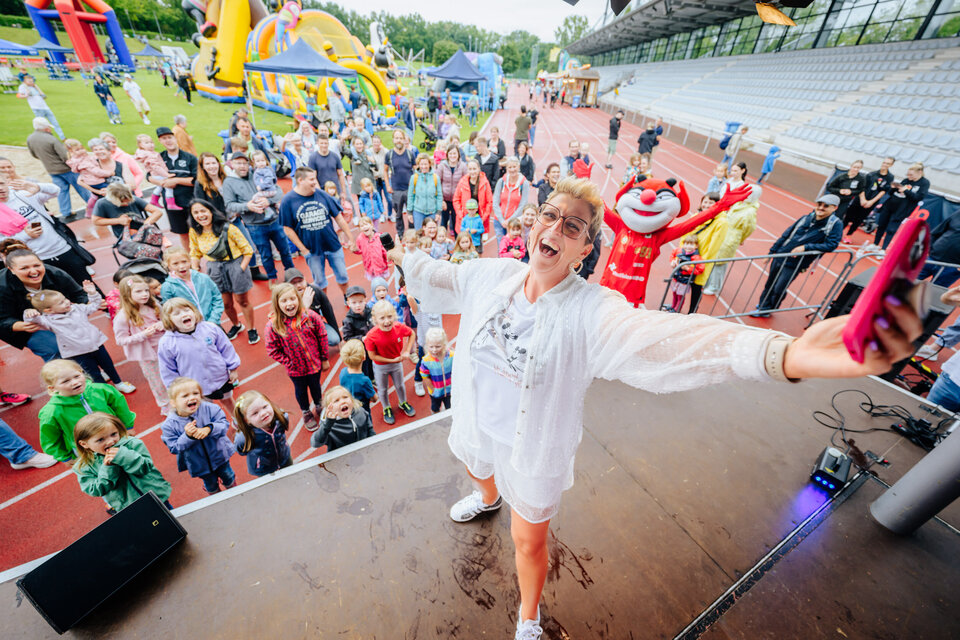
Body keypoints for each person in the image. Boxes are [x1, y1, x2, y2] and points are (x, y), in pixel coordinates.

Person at [384, 176, 922, 639]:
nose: (554, 229)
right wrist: (404, 256)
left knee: (528, 543)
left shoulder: (591, 311)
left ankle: (528, 615)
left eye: (572, 226)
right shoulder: (491, 275)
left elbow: (664, 337)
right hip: (477, 420)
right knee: (476, 466)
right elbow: (439, 276)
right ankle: (487, 497)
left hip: (530, 447)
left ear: (585, 249)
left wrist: (784, 354)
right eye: (549, 215)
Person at [24, 283, 135, 391]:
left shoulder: (77, 308)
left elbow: (95, 305)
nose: (67, 302)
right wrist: (28, 312)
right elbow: (33, 320)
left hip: (96, 344)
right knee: (93, 373)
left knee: (108, 365)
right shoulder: (48, 321)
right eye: (61, 303)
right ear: (49, 310)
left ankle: (119, 383)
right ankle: (104, 391)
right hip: (78, 352)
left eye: (65, 299)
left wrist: (92, 293)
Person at [750, 194, 842, 318]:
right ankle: (763, 307)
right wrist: (771, 253)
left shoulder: (835, 224)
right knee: (769, 284)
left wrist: (806, 247)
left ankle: (768, 308)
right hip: (780, 255)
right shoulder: (805, 218)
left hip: (796, 263)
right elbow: (786, 235)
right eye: (819, 204)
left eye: (826, 206)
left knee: (779, 288)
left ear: (834, 208)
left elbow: (831, 245)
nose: (821, 208)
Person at [0, 244, 89, 362]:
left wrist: (87, 304)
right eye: (24, 268)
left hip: (56, 317)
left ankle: (88, 368)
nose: (33, 271)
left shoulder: (55, 274)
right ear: (11, 270)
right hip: (26, 327)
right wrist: (17, 325)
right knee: (54, 348)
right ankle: (62, 371)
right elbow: (2, 319)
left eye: (37, 265)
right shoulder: (2, 287)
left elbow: (79, 294)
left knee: (82, 337)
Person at [0, 176, 95, 286]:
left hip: (62, 249)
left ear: (7, 182)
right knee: (60, 292)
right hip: (38, 259)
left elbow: (56, 191)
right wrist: (25, 235)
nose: (0, 188)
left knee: (88, 285)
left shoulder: (22, 196)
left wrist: (38, 187)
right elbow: (1, 242)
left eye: (1, 183)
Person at [38, 359, 136, 463]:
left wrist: (128, 426)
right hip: (87, 453)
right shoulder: (52, 411)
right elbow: (50, 438)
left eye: (77, 376)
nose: (75, 382)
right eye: (66, 381)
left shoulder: (101, 390)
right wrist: (65, 457)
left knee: (130, 462)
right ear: (52, 388)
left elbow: (120, 406)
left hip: (115, 438)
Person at [73, 412, 172, 513]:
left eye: (113, 434)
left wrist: (124, 456)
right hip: (128, 507)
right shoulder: (83, 466)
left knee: (170, 519)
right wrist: (109, 468)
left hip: (156, 496)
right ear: (84, 444)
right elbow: (95, 490)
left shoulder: (132, 444)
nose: (110, 441)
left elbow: (146, 467)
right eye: (100, 439)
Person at [279, 166, 354, 298]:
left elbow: (339, 218)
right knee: (319, 282)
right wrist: (303, 250)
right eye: (312, 179)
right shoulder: (288, 201)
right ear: (300, 180)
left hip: (332, 245)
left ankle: (347, 298)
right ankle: (323, 303)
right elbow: (287, 229)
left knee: (343, 276)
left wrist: (351, 239)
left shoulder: (322, 194)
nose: (315, 182)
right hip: (312, 250)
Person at [158, 298, 241, 417]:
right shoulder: (167, 343)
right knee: (204, 412)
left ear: (194, 311)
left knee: (228, 401)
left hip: (220, 377)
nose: (184, 314)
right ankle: (212, 426)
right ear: (168, 319)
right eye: (177, 313)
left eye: (187, 310)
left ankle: (238, 421)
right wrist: (176, 389)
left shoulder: (210, 328)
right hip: (194, 387)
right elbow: (167, 369)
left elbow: (226, 348)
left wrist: (233, 368)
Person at [187, 200, 256, 341]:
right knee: (225, 303)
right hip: (214, 268)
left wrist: (240, 269)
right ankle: (236, 325)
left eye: (203, 211)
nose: (200, 215)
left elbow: (248, 250)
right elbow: (194, 252)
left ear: (211, 211)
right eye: (196, 212)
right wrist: (194, 269)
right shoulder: (194, 231)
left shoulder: (228, 228)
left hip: (234, 264)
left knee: (242, 301)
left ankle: (251, 328)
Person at [223, 152, 292, 286]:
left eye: (244, 163)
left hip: (274, 220)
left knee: (285, 249)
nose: (242, 166)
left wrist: (269, 201)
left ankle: (291, 273)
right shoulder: (229, 182)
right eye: (238, 163)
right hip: (255, 225)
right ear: (232, 164)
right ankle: (272, 278)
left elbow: (278, 191)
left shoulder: (259, 172)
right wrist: (247, 206)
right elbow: (229, 204)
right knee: (265, 254)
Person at [161, 376, 237, 494]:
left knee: (228, 475)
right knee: (210, 484)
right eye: (185, 396)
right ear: (173, 403)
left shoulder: (211, 408)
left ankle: (235, 491)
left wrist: (209, 428)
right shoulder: (169, 425)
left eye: (195, 393)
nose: (192, 397)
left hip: (220, 455)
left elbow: (224, 425)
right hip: (199, 464)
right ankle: (214, 493)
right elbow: (174, 447)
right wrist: (188, 436)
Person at [113, 275, 170, 415]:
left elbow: (168, 321)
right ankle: (166, 405)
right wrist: (143, 335)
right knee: (157, 381)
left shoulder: (154, 306)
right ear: (127, 294)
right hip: (148, 356)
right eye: (138, 291)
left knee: (174, 374)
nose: (144, 294)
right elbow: (120, 340)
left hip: (167, 348)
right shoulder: (122, 316)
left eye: (146, 290)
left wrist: (162, 324)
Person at [364, 299, 416, 425]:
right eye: (382, 318)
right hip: (381, 366)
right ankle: (386, 407)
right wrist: (391, 360)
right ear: (375, 319)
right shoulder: (371, 336)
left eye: (389, 316)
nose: (387, 321)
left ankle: (403, 402)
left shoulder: (398, 327)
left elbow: (412, 334)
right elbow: (372, 356)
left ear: (394, 315)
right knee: (382, 389)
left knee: (400, 385)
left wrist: (407, 351)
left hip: (397, 364)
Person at [26, 117, 89, 217]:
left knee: (61, 191)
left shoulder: (30, 138)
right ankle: (93, 206)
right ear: (47, 128)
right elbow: (65, 156)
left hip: (51, 170)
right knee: (82, 188)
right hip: (66, 169)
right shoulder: (51, 139)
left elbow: (34, 154)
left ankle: (66, 211)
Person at [148, 127, 197, 249]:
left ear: (175, 138)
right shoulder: (158, 158)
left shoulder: (190, 158)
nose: (168, 141)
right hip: (172, 205)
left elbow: (197, 180)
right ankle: (190, 258)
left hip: (192, 202)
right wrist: (162, 182)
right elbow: (149, 176)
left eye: (170, 137)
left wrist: (176, 180)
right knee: (183, 234)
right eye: (164, 138)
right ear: (160, 141)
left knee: (199, 232)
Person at [160, 247, 225, 327]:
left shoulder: (203, 278)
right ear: (168, 266)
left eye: (184, 262)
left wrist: (213, 320)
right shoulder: (167, 287)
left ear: (190, 261)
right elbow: (170, 311)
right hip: (190, 328)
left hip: (213, 324)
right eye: (175, 264)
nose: (181, 266)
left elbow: (217, 298)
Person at [233, 390, 292, 476]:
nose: (263, 413)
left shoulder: (282, 417)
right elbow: (241, 450)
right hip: (263, 469)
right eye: (255, 413)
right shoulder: (244, 437)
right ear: (246, 420)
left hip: (285, 458)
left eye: (265, 407)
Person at [872, 162, 929, 250]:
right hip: (890, 205)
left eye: (911, 175)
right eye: (908, 174)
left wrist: (905, 191)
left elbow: (918, 197)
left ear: (920, 172)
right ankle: (875, 244)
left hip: (902, 210)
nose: (909, 177)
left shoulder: (924, 183)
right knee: (881, 225)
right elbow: (892, 193)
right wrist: (894, 188)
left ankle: (883, 249)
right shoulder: (906, 180)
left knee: (891, 229)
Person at [283, 268, 341, 348]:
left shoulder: (316, 291)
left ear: (305, 279)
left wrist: (340, 339)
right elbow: (290, 324)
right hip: (297, 330)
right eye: (293, 283)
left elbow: (329, 314)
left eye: (300, 281)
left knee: (335, 339)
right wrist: (304, 306)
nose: (298, 285)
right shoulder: (285, 299)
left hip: (315, 323)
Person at [842, 157, 895, 242]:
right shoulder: (871, 174)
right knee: (848, 217)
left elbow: (883, 191)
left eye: (888, 163)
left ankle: (849, 235)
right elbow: (862, 187)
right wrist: (863, 199)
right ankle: (839, 232)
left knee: (859, 220)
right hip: (859, 200)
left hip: (871, 203)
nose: (885, 165)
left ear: (891, 165)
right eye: (884, 162)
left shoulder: (890, 177)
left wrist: (871, 202)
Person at [92, 183, 163, 241]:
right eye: (123, 202)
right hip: (125, 238)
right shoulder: (102, 203)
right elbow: (96, 221)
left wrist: (146, 224)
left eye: (128, 201)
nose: (127, 204)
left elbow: (157, 212)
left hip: (144, 233)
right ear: (113, 200)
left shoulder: (134, 199)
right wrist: (118, 221)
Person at [312, 385, 375, 451]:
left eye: (345, 397)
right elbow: (315, 443)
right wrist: (327, 424)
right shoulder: (329, 426)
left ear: (351, 400)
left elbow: (370, 430)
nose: (343, 401)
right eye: (336, 400)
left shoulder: (360, 412)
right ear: (330, 408)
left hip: (365, 451)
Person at [384, 129, 417, 236]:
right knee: (398, 214)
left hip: (409, 190)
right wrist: (388, 185)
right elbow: (385, 170)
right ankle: (400, 234)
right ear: (393, 140)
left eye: (401, 138)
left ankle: (412, 233)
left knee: (411, 213)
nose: (399, 140)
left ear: (404, 140)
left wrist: (415, 184)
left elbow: (416, 170)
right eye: (396, 138)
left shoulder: (410, 154)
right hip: (396, 190)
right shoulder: (389, 155)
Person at [493, 157, 529, 245]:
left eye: (514, 167)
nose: (512, 169)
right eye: (510, 167)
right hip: (499, 221)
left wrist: (510, 220)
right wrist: (502, 220)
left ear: (518, 167)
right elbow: (495, 202)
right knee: (501, 247)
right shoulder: (501, 182)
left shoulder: (524, 183)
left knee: (512, 247)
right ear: (507, 168)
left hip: (514, 222)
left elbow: (523, 205)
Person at [419, 327, 453, 413]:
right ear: (427, 345)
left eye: (438, 346)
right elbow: (425, 376)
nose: (434, 350)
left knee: (450, 407)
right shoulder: (426, 361)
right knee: (435, 407)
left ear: (444, 345)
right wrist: (433, 389)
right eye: (431, 347)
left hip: (450, 390)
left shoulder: (452, 356)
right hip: (436, 392)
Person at [666, 236, 704, 313]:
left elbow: (700, 269)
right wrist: (672, 261)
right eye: (686, 244)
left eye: (691, 244)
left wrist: (688, 269)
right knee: (675, 293)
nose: (688, 246)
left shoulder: (696, 257)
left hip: (684, 280)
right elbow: (673, 254)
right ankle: (673, 306)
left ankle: (677, 309)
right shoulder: (679, 251)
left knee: (680, 295)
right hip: (676, 277)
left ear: (696, 246)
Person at [406, 154, 443, 231]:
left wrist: (438, 212)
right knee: (419, 233)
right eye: (421, 164)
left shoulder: (435, 178)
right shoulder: (414, 178)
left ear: (429, 164)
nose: (424, 166)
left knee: (431, 233)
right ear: (418, 165)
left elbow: (439, 196)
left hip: (432, 211)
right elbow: (410, 196)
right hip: (418, 211)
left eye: (425, 164)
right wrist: (409, 212)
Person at [338, 339, 376, 414]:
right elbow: (374, 399)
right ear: (364, 357)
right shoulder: (364, 380)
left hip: (350, 409)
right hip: (363, 411)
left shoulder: (343, 372)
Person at [305, 133, 348, 199]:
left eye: (325, 143)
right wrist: (320, 193)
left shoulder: (335, 156)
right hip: (322, 191)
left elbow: (340, 175)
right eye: (321, 143)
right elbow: (313, 177)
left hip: (335, 192)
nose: (324, 145)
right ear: (318, 143)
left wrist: (343, 192)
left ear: (328, 143)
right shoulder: (313, 158)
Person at [437, 144, 466, 232]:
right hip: (445, 199)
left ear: (458, 154)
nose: (452, 156)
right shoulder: (442, 166)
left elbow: (465, 184)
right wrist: (441, 200)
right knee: (443, 223)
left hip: (457, 200)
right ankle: (441, 240)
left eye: (454, 153)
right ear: (447, 155)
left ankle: (458, 239)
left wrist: (462, 200)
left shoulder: (463, 166)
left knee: (457, 223)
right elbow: (437, 183)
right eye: (450, 154)